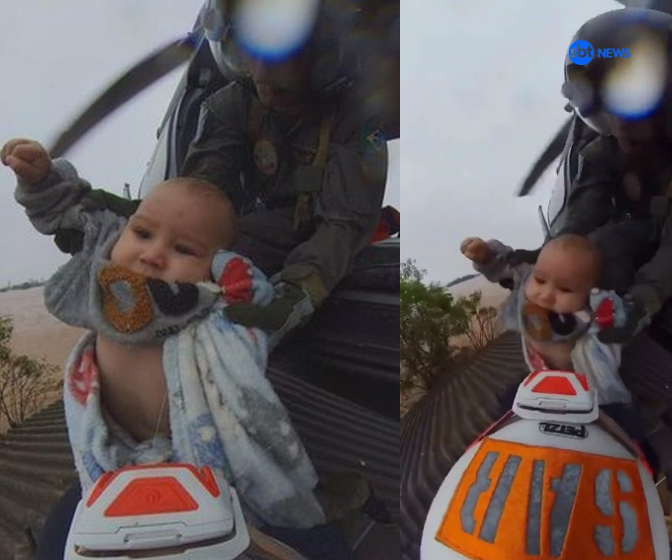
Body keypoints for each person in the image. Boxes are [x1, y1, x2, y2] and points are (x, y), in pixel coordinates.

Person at [2, 138, 356, 560]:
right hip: (118, 463)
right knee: (61, 536)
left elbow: (263, 308)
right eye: (143, 232)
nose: (153, 255)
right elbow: (76, 213)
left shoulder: (214, 312)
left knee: (312, 535)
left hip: (213, 469)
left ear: (215, 265)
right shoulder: (102, 289)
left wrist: (235, 277)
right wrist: (43, 179)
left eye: (183, 249)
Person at [53, 0, 390, 350]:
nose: (263, 73)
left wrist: (296, 295)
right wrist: (95, 211)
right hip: (267, 230)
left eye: (285, 55)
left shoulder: (355, 120)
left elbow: (343, 224)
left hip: (327, 238)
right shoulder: (234, 105)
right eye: (251, 49)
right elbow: (194, 201)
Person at [537, 8, 672, 345]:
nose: (621, 126)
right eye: (609, 109)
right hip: (625, 257)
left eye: (634, 109)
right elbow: (578, 221)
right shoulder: (601, 151)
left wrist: (639, 304)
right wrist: (547, 271)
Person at [461, 234, 632, 406]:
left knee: (618, 414)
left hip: (584, 386)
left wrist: (609, 318)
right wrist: (486, 255)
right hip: (541, 371)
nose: (546, 295)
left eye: (565, 289)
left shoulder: (592, 314)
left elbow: (614, 322)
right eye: (540, 280)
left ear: (589, 293)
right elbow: (507, 264)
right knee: (508, 400)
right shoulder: (526, 282)